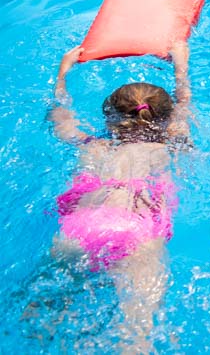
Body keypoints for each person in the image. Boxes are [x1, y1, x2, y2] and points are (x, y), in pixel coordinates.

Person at [50, 42, 191, 353]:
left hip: (80, 229)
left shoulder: (94, 145)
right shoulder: (169, 145)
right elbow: (185, 103)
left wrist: (63, 73)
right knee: (137, 332)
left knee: (47, 310)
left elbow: (60, 120)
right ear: (165, 119)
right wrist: (181, 66)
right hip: (136, 233)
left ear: (109, 120)